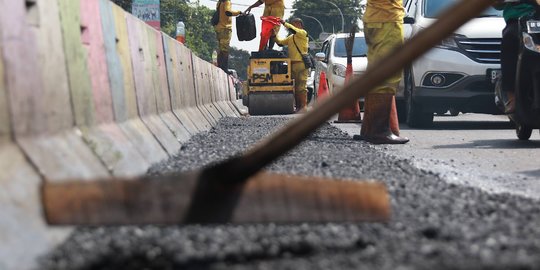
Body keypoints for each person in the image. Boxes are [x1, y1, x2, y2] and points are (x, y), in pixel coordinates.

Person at [359, 0, 409, 144]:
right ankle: (379, 131)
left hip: (377, 18)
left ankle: (369, 129)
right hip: (387, 19)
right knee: (387, 75)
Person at [493, 0, 536, 114]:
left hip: (537, 18)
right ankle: (511, 97)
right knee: (509, 38)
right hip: (518, 21)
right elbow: (497, 4)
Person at [274, 18, 309, 112]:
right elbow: (280, 43)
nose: (294, 26)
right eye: (293, 24)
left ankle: (304, 106)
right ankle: (298, 107)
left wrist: (284, 23)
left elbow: (293, 30)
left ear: (300, 25)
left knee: (301, 86)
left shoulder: (303, 33)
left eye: (295, 24)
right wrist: (274, 34)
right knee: (294, 87)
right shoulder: (291, 37)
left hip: (301, 63)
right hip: (292, 64)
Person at [214, 0, 242, 72]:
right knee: (225, 49)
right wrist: (239, 12)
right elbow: (228, 12)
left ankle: (220, 67)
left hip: (218, 28)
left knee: (221, 48)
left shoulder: (219, 2)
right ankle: (224, 68)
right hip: (225, 28)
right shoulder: (227, 2)